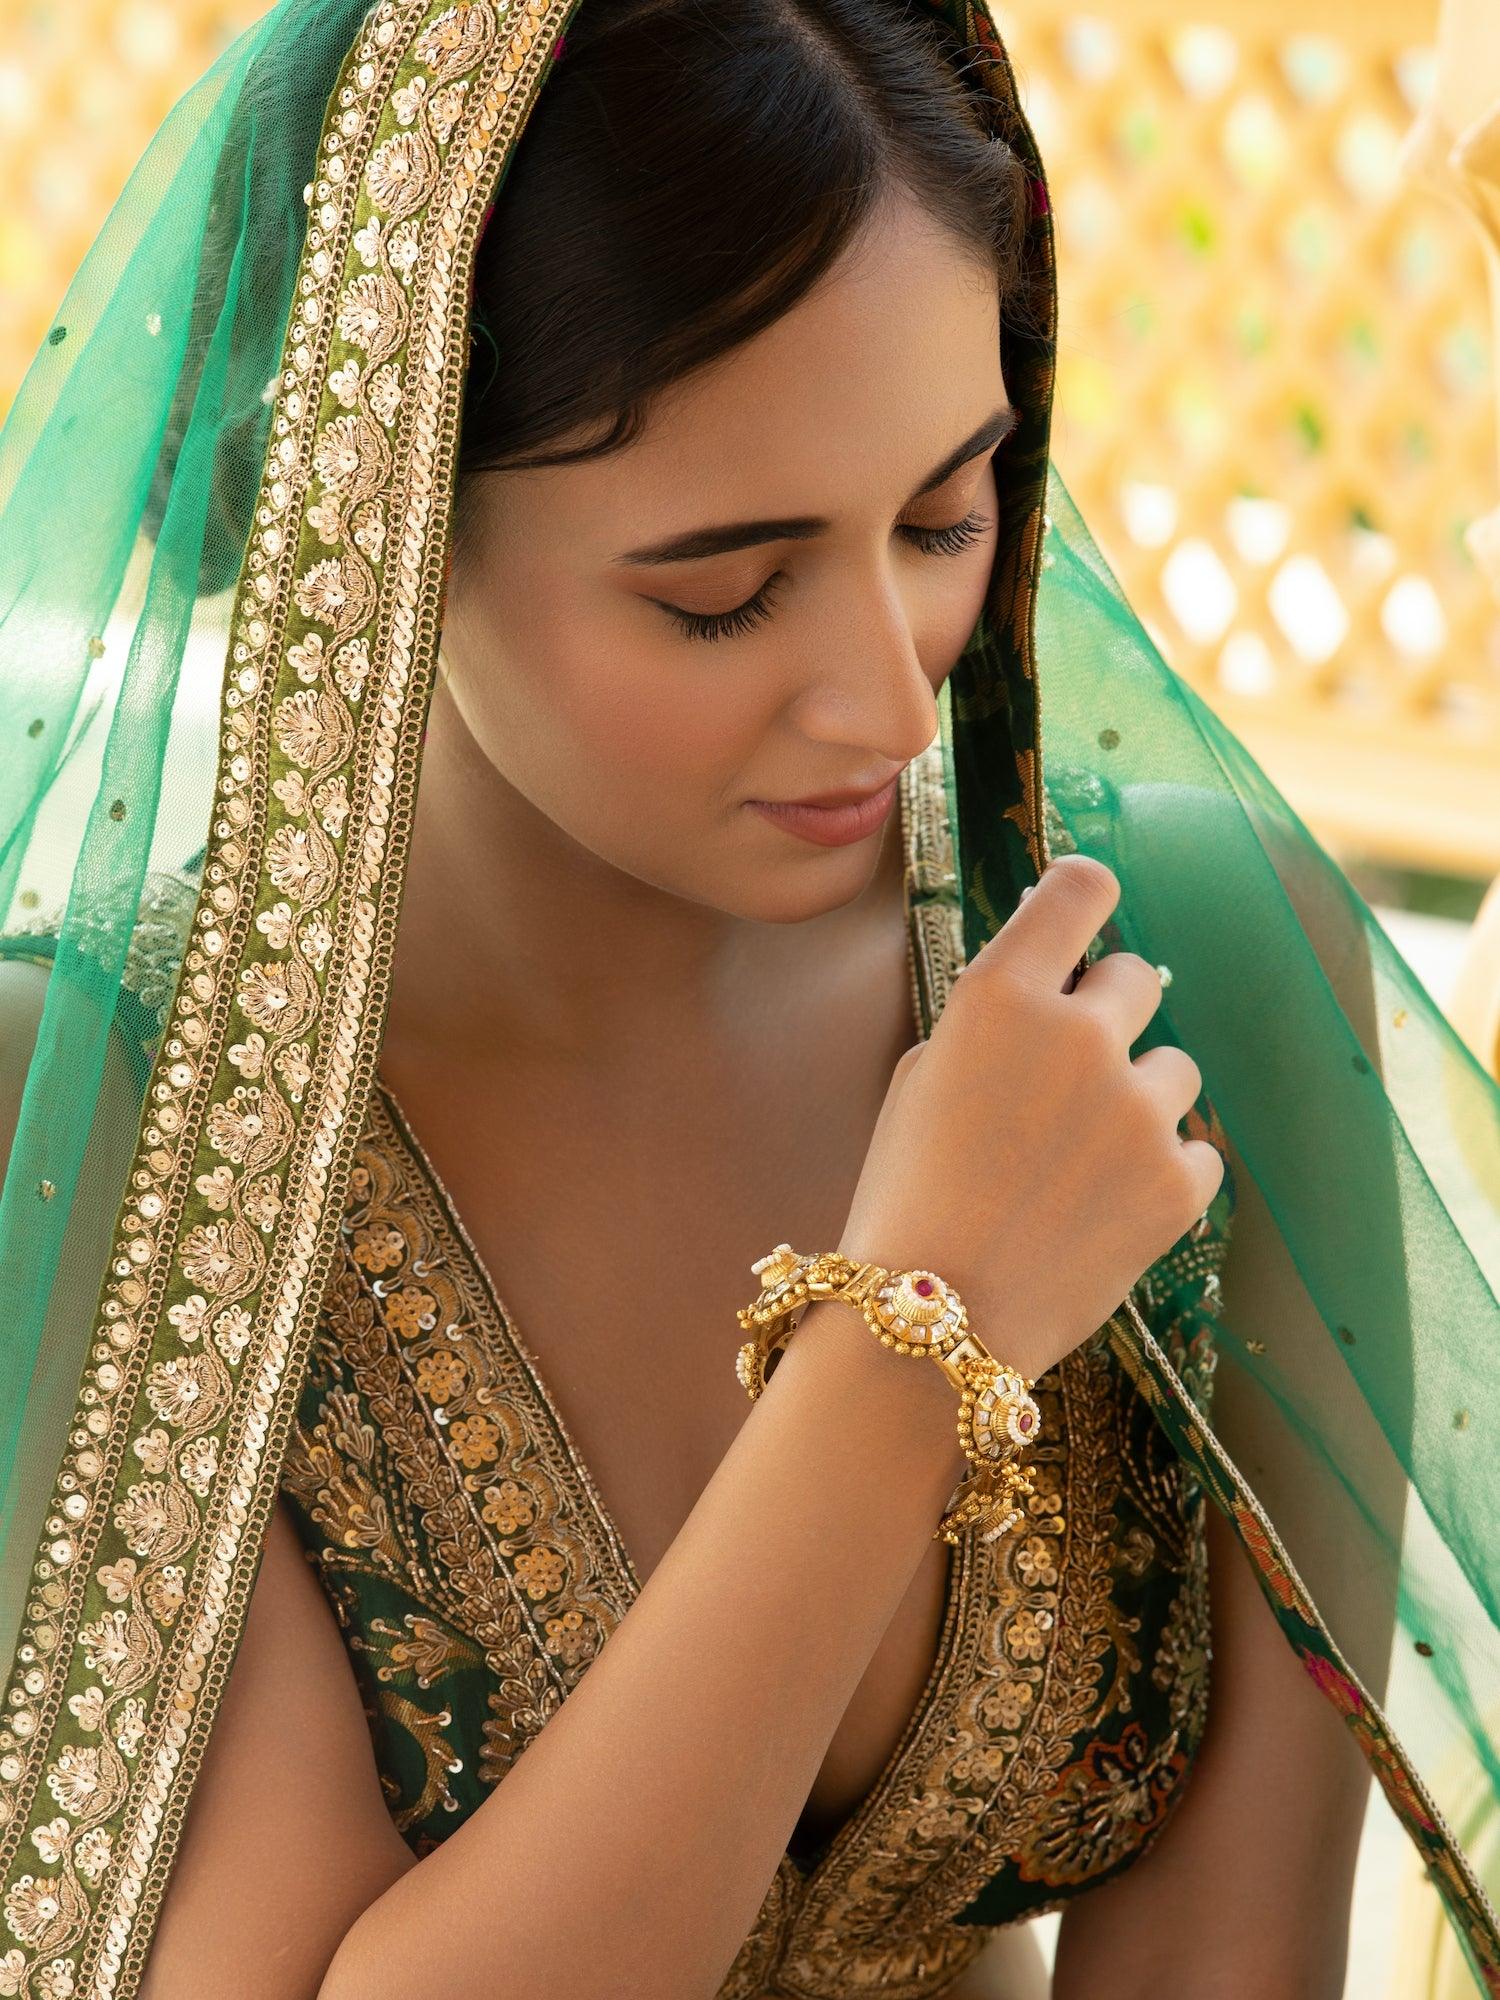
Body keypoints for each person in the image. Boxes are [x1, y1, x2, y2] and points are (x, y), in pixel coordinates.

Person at [0, 4, 1495, 1997]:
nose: (891, 698)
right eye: (723, 591)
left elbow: (1233, 1966)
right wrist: (910, 1342)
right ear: (372, 496)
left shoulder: (1175, 968)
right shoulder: (108, 1114)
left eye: (947, 516)